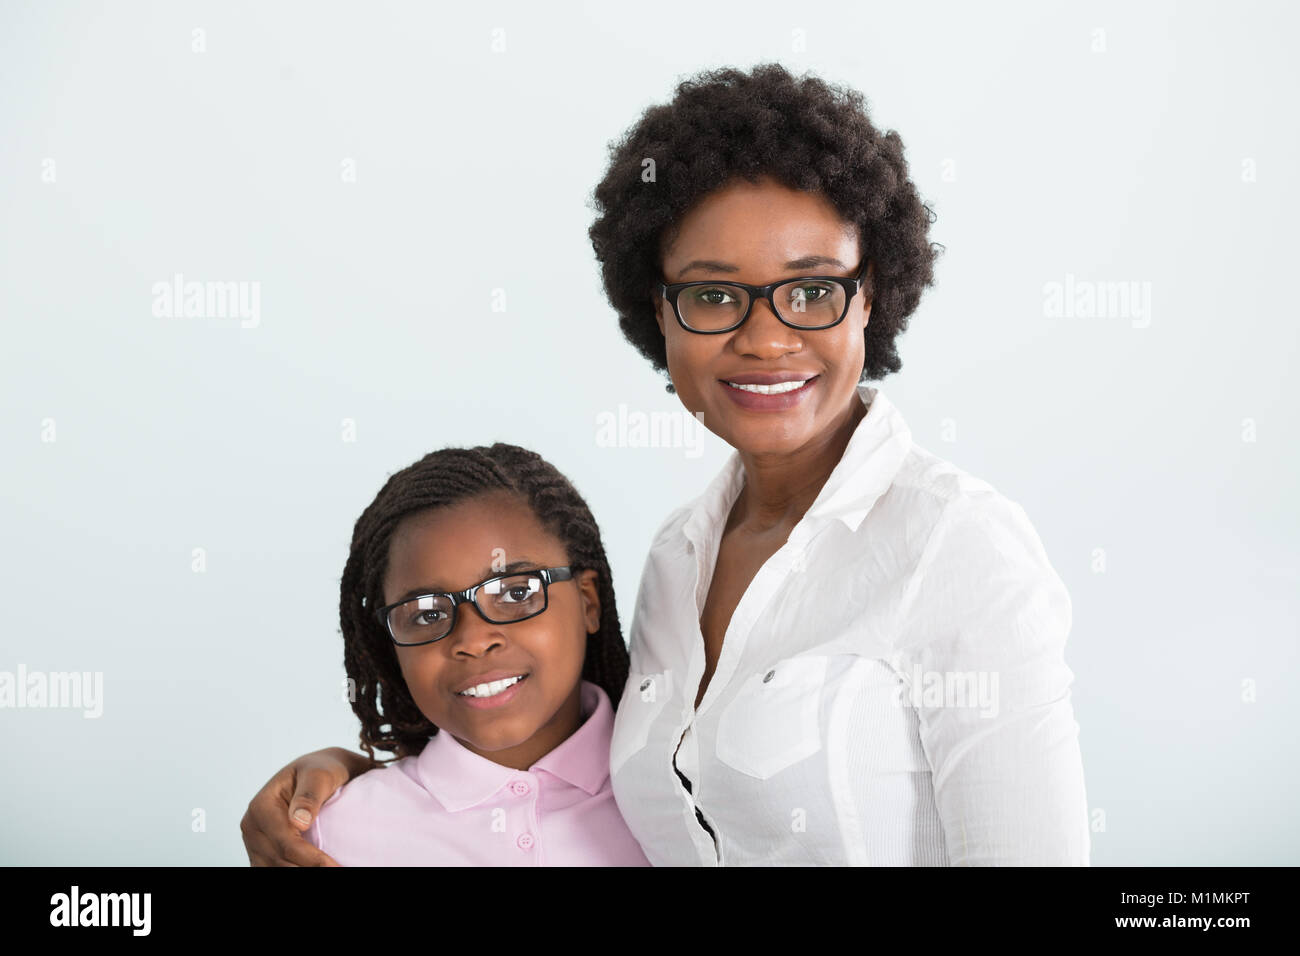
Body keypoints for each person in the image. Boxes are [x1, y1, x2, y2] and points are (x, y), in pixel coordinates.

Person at [241, 63, 1089, 866]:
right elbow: (559, 758)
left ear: (869, 296)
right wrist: (364, 783)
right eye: (715, 295)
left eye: (812, 288)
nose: (764, 337)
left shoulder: (957, 547)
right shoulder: (676, 559)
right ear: (661, 313)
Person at [264, 443, 647, 866]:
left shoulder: (678, 790)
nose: (474, 639)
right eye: (427, 614)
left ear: (587, 601)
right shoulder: (329, 834)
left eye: (516, 592)